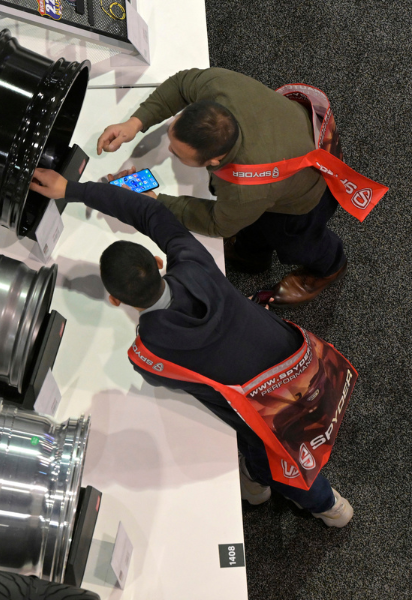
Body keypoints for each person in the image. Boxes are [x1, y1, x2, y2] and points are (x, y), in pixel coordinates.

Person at [29, 166, 354, 527]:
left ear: (115, 301)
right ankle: (269, 486)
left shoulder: (149, 353)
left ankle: (326, 506)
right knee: (279, 449)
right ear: (157, 261)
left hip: (271, 416)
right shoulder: (194, 261)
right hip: (305, 361)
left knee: (279, 464)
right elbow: (150, 212)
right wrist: (71, 189)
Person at [96, 67, 348, 307]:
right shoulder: (219, 86)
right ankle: (252, 257)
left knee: (294, 238)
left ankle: (329, 267)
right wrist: (135, 123)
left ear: (214, 161)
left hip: (308, 191)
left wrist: (156, 201)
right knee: (252, 225)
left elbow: (220, 224)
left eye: (178, 153)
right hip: (300, 137)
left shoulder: (245, 187)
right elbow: (181, 85)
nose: (170, 152)